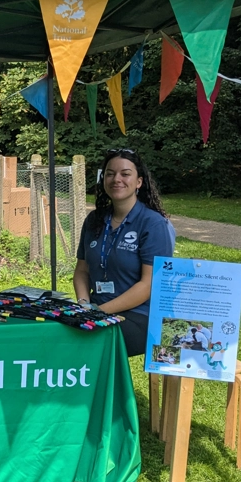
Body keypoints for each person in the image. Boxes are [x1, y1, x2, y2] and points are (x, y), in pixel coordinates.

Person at [73, 149, 176, 357]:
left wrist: (99, 312)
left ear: (139, 182)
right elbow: (82, 271)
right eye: (110, 174)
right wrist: (84, 305)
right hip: (96, 309)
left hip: (140, 315)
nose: (116, 179)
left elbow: (148, 285)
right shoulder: (94, 220)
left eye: (125, 174)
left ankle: (112, 390)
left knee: (93, 342)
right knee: (58, 333)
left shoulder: (153, 224)